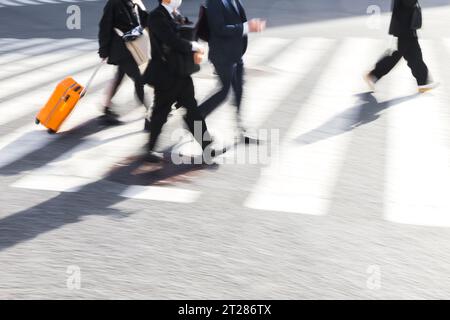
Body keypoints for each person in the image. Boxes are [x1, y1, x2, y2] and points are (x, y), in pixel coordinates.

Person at [143, 0, 220, 163]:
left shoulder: (173, 14)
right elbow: (170, 40)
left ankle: (207, 147)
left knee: (193, 110)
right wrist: (192, 46)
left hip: (181, 73)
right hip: (166, 74)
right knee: (160, 113)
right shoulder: (156, 16)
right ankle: (150, 149)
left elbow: (184, 31)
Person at [197, 0, 266, 141]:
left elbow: (238, 18)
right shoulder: (214, 2)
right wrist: (246, 27)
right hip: (222, 55)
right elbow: (219, 28)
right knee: (224, 91)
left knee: (239, 90)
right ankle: (196, 118)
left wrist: (249, 27)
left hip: (236, 53)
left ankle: (240, 131)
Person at [365, 0, 439, 93]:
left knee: (411, 53)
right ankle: (374, 75)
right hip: (404, 24)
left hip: (405, 23)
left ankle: (423, 82)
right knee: (403, 53)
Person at [98, 0, 149, 125]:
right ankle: (151, 113)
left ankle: (106, 109)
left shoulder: (134, 2)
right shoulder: (114, 3)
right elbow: (105, 27)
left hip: (131, 48)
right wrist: (104, 50)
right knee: (138, 79)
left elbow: (146, 20)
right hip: (121, 50)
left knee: (119, 77)